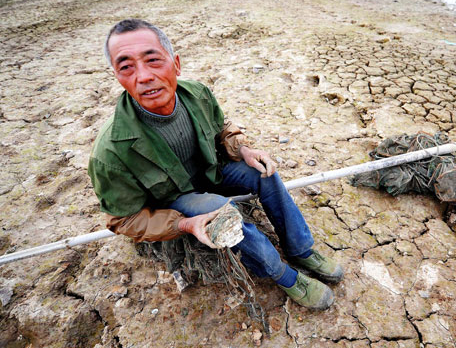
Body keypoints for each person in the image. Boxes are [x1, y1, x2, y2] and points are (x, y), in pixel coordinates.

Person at [88, 19, 343, 310]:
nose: (144, 76)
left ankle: (300, 249)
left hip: (212, 171)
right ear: (116, 76)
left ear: (176, 64)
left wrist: (243, 149)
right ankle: (283, 274)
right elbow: (122, 219)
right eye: (127, 67)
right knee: (223, 211)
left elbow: (222, 127)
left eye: (153, 60)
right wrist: (183, 224)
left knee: (264, 173)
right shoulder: (110, 151)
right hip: (176, 198)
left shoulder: (196, 93)